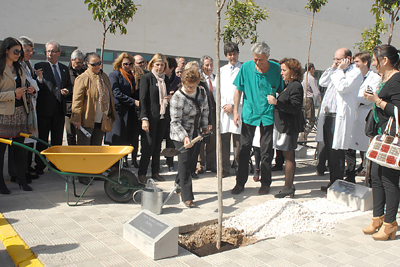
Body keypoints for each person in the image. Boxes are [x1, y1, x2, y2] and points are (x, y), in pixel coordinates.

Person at [231, 41, 284, 195]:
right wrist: (235, 112)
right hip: (249, 114)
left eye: (260, 59)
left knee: (267, 151)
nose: (257, 62)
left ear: (268, 56)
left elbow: (281, 90)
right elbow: (238, 91)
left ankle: (265, 183)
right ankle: (240, 183)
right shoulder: (246, 68)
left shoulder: (276, 69)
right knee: (244, 149)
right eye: (255, 59)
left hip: (267, 114)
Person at [362, 44, 400, 241]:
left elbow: (397, 111)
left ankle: (390, 223)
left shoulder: (397, 79)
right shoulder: (384, 78)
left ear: (385, 60)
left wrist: (377, 100)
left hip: (392, 138)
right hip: (380, 136)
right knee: (375, 176)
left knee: (389, 179)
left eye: (376, 60)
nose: (374, 64)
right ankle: (377, 217)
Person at [317, 48, 363, 192]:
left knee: (337, 152)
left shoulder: (354, 73)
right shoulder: (336, 71)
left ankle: (337, 184)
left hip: (339, 117)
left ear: (347, 59)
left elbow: (342, 87)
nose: (336, 62)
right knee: (330, 151)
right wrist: (334, 68)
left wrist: (339, 70)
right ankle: (333, 182)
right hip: (328, 116)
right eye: (334, 59)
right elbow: (323, 81)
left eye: (338, 59)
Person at [71, 52, 116, 184]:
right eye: (94, 64)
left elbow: (109, 96)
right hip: (87, 120)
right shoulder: (83, 78)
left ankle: (95, 172)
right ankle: (83, 175)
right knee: (85, 149)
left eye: (99, 63)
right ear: (87, 64)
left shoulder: (104, 77)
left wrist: (110, 114)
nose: (97, 66)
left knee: (96, 148)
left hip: (101, 120)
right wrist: (77, 119)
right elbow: (77, 101)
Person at [0, 37, 36, 193]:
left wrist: (29, 90)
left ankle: (22, 179)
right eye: (15, 51)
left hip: (21, 112)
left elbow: (24, 85)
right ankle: (1, 184)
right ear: (6, 50)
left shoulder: (20, 67)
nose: (18, 54)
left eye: (19, 52)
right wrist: (12, 94)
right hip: (3, 114)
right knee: (1, 152)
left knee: (20, 149)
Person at [170, 68, 209, 207]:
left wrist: (205, 127)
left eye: (193, 86)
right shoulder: (177, 97)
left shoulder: (202, 92)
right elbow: (174, 122)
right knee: (185, 162)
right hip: (180, 134)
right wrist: (184, 137)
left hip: (196, 132)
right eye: (187, 86)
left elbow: (205, 110)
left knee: (191, 162)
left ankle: (178, 183)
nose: (190, 88)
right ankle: (187, 197)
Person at [267, 58, 304, 198]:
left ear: (292, 71)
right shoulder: (289, 85)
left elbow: (295, 107)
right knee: (287, 156)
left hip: (289, 127)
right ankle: (289, 186)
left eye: (284, 70)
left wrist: (276, 102)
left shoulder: (295, 86)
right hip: (284, 127)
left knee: (289, 157)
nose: (281, 73)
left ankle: (288, 186)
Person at [34, 41, 72, 175]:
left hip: (59, 110)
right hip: (45, 109)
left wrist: (67, 90)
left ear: (59, 53)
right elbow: (38, 86)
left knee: (57, 140)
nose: (50, 54)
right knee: (43, 139)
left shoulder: (63, 68)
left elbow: (69, 85)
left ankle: (55, 165)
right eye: (48, 51)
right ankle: (39, 166)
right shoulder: (40, 66)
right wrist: (38, 79)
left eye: (53, 51)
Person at [346, 52, 380, 182]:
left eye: (357, 62)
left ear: (366, 63)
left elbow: (368, 97)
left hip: (364, 115)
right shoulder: (354, 76)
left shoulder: (375, 78)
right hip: (353, 114)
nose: (355, 65)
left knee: (365, 149)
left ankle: (368, 176)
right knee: (349, 148)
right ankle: (350, 176)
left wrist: (353, 97)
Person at [138, 53, 171, 184]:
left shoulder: (166, 79)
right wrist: (144, 118)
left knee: (158, 146)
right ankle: (142, 173)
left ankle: (155, 171)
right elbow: (143, 99)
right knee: (148, 145)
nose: (160, 67)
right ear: (152, 64)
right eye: (157, 65)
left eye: (162, 65)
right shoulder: (146, 78)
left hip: (162, 117)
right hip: (150, 117)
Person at [105, 52, 139, 170]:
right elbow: (116, 93)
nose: (128, 66)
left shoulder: (131, 76)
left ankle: (121, 165)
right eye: (125, 64)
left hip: (129, 112)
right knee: (117, 138)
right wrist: (133, 101)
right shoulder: (115, 75)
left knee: (126, 139)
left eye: (130, 64)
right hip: (118, 111)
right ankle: (113, 166)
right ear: (120, 63)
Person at [220, 42, 242, 178]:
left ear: (238, 53)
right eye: (229, 54)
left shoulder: (243, 69)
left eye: (234, 54)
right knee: (224, 141)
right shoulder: (221, 70)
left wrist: (234, 107)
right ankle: (225, 169)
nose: (232, 57)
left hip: (238, 110)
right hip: (224, 110)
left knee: (238, 141)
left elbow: (244, 91)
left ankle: (239, 167)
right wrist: (224, 106)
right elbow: (218, 90)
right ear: (226, 55)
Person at [197, 55, 216, 174]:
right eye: (207, 65)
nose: (209, 67)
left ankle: (211, 163)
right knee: (201, 139)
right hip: (202, 113)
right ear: (202, 66)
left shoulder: (216, 78)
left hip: (214, 112)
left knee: (212, 140)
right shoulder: (199, 79)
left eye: (211, 65)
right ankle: (200, 164)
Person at [66, 49, 85, 145]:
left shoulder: (85, 72)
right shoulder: (65, 71)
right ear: (71, 60)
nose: (80, 65)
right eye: (78, 62)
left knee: (82, 133)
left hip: (83, 108)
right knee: (70, 134)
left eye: (82, 62)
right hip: (69, 107)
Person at [300, 62, 320, 140]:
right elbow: (316, 91)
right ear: (311, 69)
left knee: (304, 119)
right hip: (308, 99)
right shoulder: (310, 78)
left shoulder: (302, 76)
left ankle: (302, 136)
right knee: (310, 120)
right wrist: (319, 100)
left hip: (302, 99)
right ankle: (303, 136)